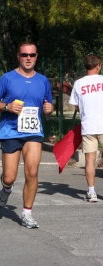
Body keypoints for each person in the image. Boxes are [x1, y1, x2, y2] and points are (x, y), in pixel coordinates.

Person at [0, 41, 54, 229]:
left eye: (32, 55)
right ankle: (6, 188)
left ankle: (27, 212)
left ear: (36, 57)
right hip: (10, 131)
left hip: (34, 132)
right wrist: (7, 106)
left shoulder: (43, 80)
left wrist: (49, 109)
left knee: (32, 172)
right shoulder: (7, 78)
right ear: (18, 56)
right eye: (25, 55)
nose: (28, 58)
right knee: (10, 177)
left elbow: (48, 106)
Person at [69, 53, 103, 202]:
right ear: (98, 66)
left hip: (88, 125)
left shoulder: (78, 83)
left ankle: (92, 192)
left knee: (90, 160)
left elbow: (76, 106)